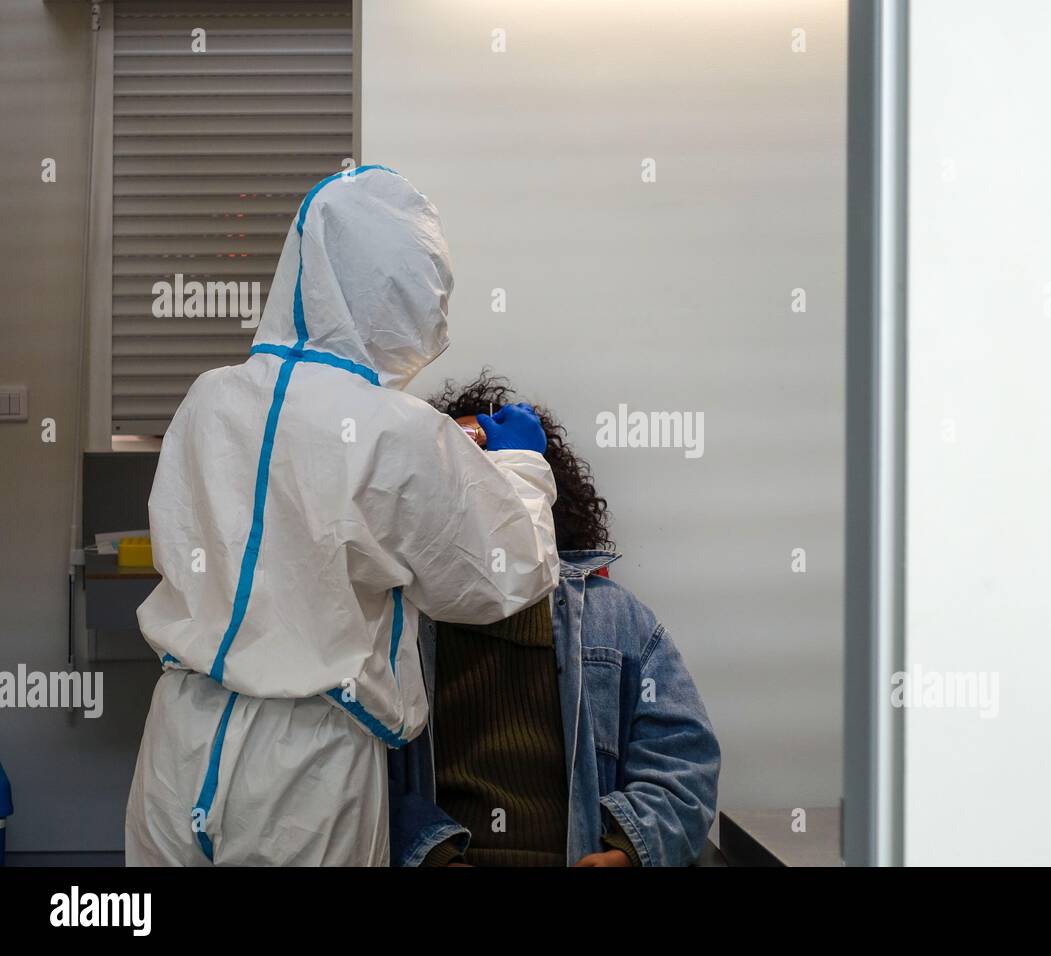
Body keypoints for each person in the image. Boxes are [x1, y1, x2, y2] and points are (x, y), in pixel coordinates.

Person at [125, 168, 559, 866]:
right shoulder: (397, 431)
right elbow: (500, 578)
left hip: (181, 739)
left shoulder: (210, 399)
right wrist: (520, 467)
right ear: (408, 293)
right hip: (308, 765)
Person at [388, 373, 720, 867]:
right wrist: (429, 854)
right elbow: (357, 773)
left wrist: (626, 853)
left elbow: (683, 759)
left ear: (540, 492)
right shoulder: (396, 621)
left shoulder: (614, 621)